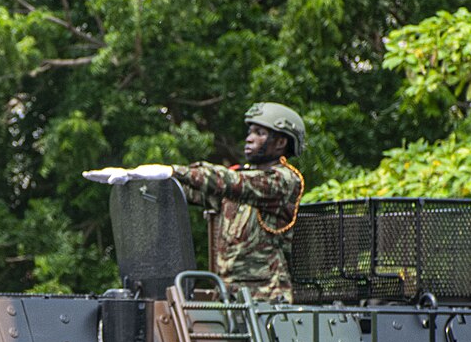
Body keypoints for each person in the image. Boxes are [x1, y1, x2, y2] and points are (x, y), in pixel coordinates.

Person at [83, 102, 308, 302]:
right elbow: (194, 192)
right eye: (250, 132)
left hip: (266, 299)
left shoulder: (285, 180)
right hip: (230, 297)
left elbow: (230, 182)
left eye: (259, 133)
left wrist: (174, 171)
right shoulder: (241, 185)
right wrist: (139, 180)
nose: (249, 138)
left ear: (280, 142)